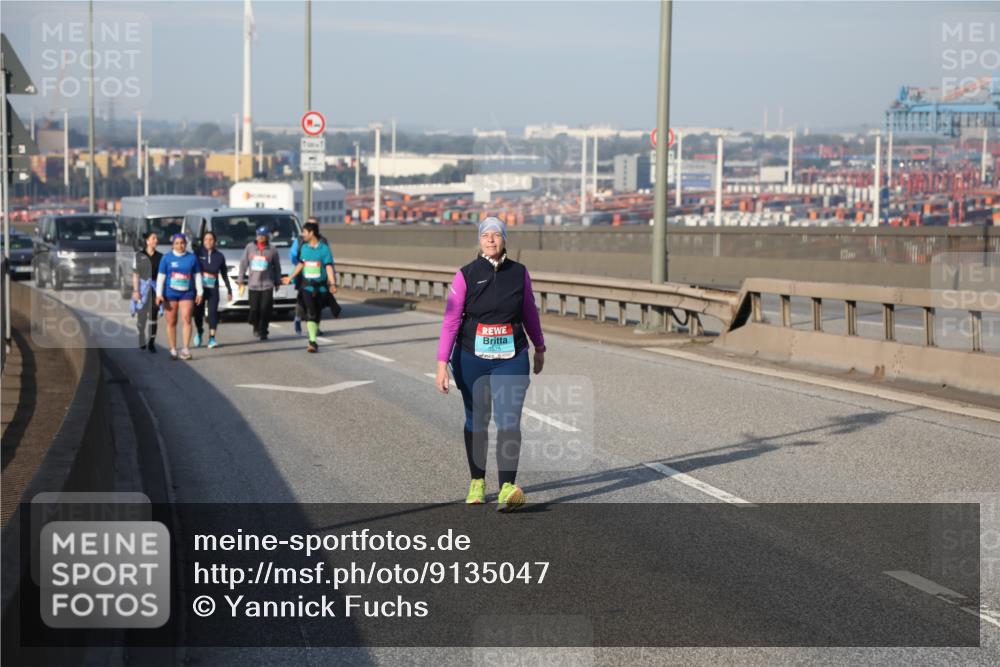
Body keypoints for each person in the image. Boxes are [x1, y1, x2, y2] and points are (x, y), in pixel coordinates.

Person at [435, 217, 546, 512]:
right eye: (486, 235)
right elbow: (450, 321)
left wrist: (540, 346)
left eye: (497, 235)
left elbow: (529, 313)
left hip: (512, 357)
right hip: (472, 358)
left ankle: (507, 487)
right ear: (479, 240)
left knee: (509, 421)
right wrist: (441, 363)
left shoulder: (519, 273)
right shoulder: (466, 275)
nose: (491, 240)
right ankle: (477, 481)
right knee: (477, 421)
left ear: (505, 239)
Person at [282, 221, 336, 353]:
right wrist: (290, 277)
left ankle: (313, 336)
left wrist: (333, 283)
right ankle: (312, 341)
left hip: (321, 288)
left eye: (304, 232)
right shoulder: (304, 248)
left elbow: (329, 267)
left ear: (312, 233)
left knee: (317, 313)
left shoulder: (324, 249)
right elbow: (301, 264)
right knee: (311, 312)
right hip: (307, 287)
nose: (302, 235)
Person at [156, 233, 203, 361]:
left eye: (182, 242)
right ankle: (172, 349)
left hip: (187, 293)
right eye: (177, 243)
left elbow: (197, 275)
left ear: (185, 244)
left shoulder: (192, 258)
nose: (180, 245)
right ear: (173, 245)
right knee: (171, 321)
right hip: (170, 293)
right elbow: (161, 277)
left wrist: (200, 292)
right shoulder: (166, 258)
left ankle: (185, 349)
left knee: (187, 318)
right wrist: (159, 294)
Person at [237, 224, 281, 341]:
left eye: (263, 236)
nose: (261, 238)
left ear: (267, 237)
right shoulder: (249, 248)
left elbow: (277, 267)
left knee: (266, 309)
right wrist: (240, 280)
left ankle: (263, 330)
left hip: (267, 285)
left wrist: (277, 281)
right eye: (259, 235)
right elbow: (243, 264)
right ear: (256, 236)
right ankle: (256, 325)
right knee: (254, 309)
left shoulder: (272, 250)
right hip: (253, 285)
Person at [193, 231, 234, 348]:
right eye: (206, 239)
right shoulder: (197, 253)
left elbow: (224, 274)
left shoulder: (219, 256)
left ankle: (212, 338)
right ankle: (200, 330)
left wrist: (229, 290)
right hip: (199, 289)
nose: (208, 242)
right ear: (203, 241)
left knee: (212, 313)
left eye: (211, 239)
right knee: (198, 314)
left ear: (215, 241)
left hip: (213, 289)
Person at [131, 231, 162, 353]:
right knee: (142, 317)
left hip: (154, 288)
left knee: (153, 314)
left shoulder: (161, 257)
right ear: (147, 241)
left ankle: (152, 342)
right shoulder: (139, 256)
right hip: (142, 289)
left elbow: (162, 276)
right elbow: (135, 274)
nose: (156, 241)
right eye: (154, 238)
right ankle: (141, 336)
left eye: (156, 238)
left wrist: (161, 293)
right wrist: (136, 291)